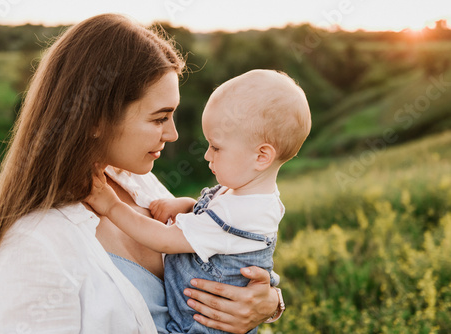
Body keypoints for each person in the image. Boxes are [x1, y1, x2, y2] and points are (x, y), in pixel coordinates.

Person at [0, 14, 282, 334]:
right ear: (94, 119)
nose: (172, 134)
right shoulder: (36, 245)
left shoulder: (138, 183)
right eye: (159, 118)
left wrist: (268, 301)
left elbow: (223, 255)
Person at [86, 69, 311, 333]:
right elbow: (216, 223)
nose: (207, 155)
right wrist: (188, 205)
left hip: (196, 325)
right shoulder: (252, 198)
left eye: (216, 147)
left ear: (261, 156)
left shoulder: (235, 212)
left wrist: (112, 206)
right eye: (159, 118)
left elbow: (167, 240)